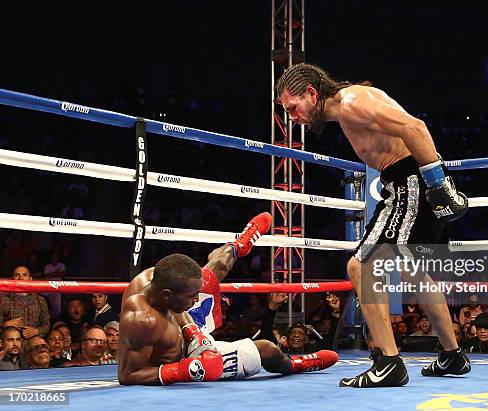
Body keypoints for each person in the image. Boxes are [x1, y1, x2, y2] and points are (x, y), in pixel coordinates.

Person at [276, 63, 470, 387]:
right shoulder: (349, 106)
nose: (292, 118)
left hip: (410, 182)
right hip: (409, 182)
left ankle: (389, 363)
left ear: (311, 93)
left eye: (292, 108)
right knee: (414, 272)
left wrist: (438, 185)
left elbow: (416, 127)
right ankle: (452, 355)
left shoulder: (352, 104)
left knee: (361, 267)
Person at [118, 213, 337, 385]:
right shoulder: (141, 319)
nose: (196, 301)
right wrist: (183, 370)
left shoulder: (157, 278)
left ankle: (238, 245)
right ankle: (296, 364)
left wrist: (192, 331)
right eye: (191, 297)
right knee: (268, 350)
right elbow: (128, 375)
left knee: (212, 273)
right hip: (182, 362)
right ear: (167, 295)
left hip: (187, 332)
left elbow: (178, 307)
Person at [0, 265, 51, 338]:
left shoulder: (40, 300)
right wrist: (6, 324)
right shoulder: (4, 299)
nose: (21, 278)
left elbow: (46, 325)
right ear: (12, 279)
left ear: (30, 279)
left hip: (33, 342)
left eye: (25, 275)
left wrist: (36, 331)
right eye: (17, 275)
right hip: (11, 342)